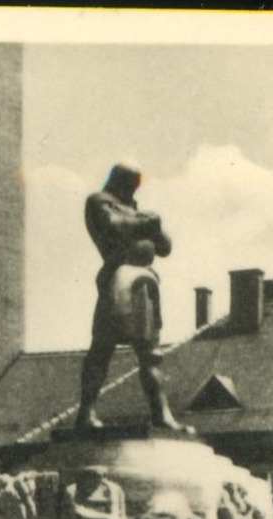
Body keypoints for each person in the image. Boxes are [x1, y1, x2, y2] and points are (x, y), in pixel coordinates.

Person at [75, 162, 193, 434]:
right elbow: (111, 226)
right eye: (132, 183)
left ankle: (160, 413)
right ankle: (86, 412)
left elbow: (164, 247)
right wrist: (145, 224)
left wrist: (152, 226)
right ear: (120, 181)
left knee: (150, 351)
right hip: (118, 277)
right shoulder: (100, 202)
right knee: (102, 348)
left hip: (144, 282)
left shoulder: (136, 211)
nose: (135, 188)